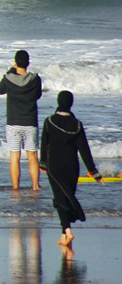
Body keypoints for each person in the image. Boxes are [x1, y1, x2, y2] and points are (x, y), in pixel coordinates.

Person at [40, 91, 104, 248]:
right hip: (72, 166)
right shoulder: (77, 124)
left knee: (60, 199)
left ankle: (68, 231)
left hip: (54, 165)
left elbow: (43, 144)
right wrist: (93, 172)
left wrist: (42, 163)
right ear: (71, 104)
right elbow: (84, 150)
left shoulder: (49, 121)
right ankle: (63, 235)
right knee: (66, 197)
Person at [0, 50, 42, 190]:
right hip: (30, 121)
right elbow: (38, 95)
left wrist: (11, 71)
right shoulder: (35, 79)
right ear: (28, 63)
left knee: (14, 157)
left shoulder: (8, 79)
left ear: (15, 63)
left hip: (13, 122)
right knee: (32, 155)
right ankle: (35, 185)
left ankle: (15, 188)